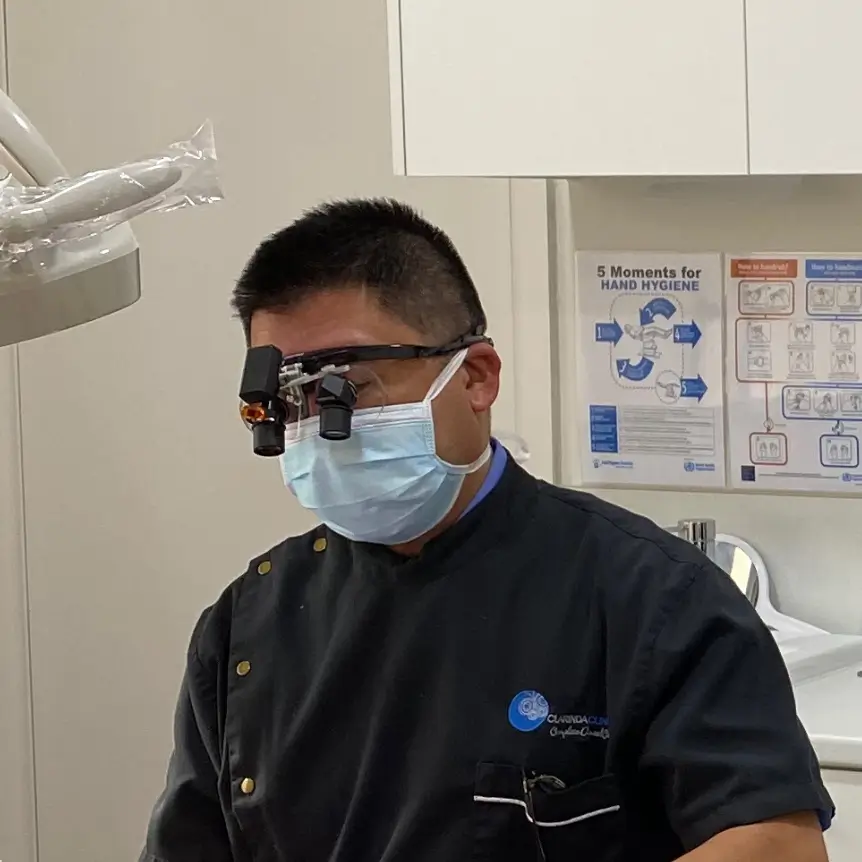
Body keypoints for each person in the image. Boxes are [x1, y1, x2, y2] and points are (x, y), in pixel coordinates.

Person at [140, 199, 833, 862]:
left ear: (474, 377)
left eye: (349, 392)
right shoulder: (249, 626)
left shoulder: (652, 600)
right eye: (293, 402)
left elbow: (779, 845)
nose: (321, 429)